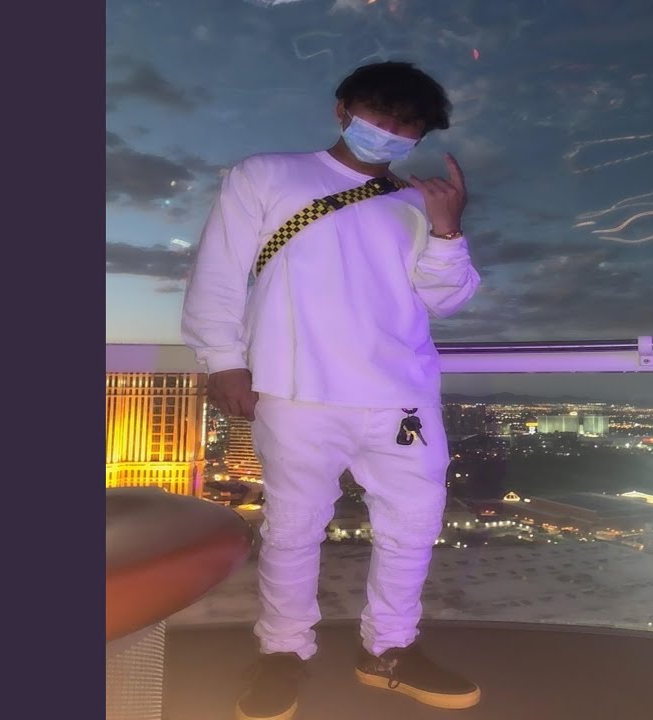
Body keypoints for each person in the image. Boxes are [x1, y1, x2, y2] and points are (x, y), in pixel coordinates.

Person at [181, 61, 482, 720]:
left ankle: (390, 649)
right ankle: (282, 653)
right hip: (295, 390)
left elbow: (447, 298)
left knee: (413, 525)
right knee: (293, 529)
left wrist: (447, 228)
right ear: (343, 108)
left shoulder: (415, 203)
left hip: (401, 396)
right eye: (380, 114)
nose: (391, 130)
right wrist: (223, 361)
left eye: (408, 124)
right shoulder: (267, 175)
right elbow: (219, 274)